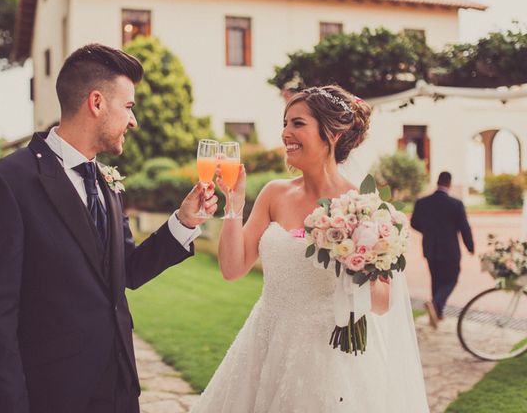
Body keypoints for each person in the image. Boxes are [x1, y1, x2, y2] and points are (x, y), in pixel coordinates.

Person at [0, 43, 217, 413]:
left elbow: (125, 271)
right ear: (97, 103)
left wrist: (183, 223)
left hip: (118, 391)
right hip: (52, 397)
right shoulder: (6, 184)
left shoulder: (106, 181)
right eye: (129, 107)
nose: (134, 121)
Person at [191, 86, 428, 412]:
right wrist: (234, 204)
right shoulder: (274, 194)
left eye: (297, 124)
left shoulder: (365, 206)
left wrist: (354, 260)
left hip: (332, 355)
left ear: (331, 134)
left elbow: (384, 302)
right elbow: (232, 269)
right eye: (285, 123)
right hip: (266, 341)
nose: (285, 133)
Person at [411, 171, 474, 327]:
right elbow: (464, 227)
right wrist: (470, 246)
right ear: (449, 184)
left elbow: (414, 223)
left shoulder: (422, 202)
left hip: (430, 247)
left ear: (437, 182)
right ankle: (436, 305)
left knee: (436, 279)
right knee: (452, 278)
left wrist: (428, 231)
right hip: (450, 248)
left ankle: (437, 315)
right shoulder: (455, 204)